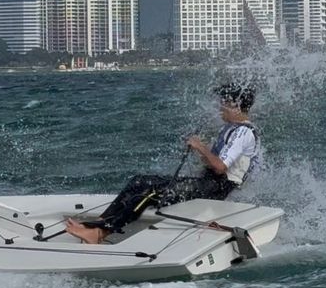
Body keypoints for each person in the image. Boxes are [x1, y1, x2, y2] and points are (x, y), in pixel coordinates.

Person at [64, 84, 261, 245]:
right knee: (140, 181)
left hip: (217, 188)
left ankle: (101, 233)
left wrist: (200, 147)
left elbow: (220, 167)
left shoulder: (243, 133)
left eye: (224, 103)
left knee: (148, 194)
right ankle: (99, 223)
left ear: (235, 105)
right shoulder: (231, 128)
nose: (220, 108)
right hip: (208, 182)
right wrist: (199, 149)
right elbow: (214, 163)